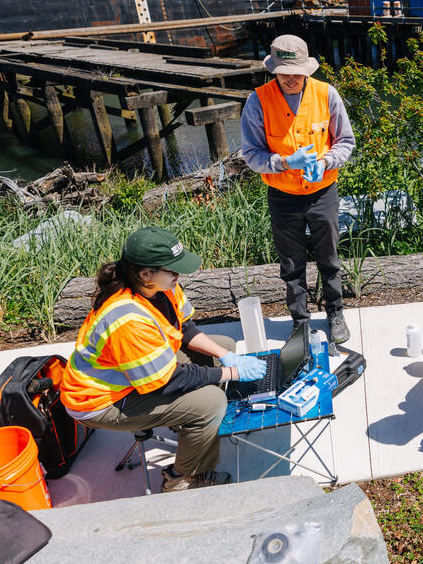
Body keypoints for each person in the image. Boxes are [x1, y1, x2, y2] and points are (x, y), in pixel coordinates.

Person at [59, 227, 268, 492]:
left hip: (132, 376)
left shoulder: (163, 287)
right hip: (101, 399)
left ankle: (188, 423)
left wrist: (225, 356)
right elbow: (167, 381)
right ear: (145, 274)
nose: (178, 276)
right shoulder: (127, 319)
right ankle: (182, 478)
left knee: (221, 346)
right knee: (211, 403)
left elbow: (185, 328)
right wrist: (233, 373)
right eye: (172, 270)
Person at [240, 34, 356, 345]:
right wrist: (282, 162)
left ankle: (335, 312)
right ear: (273, 70)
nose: (292, 80)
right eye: (284, 74)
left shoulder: (326, 94)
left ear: (308, 70)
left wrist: (328, 160)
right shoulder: (257, 101)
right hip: (283, 196)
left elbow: (346, 141)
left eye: (298, 74)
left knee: (329, 257)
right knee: (291, 264)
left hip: (323, 193)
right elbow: (251, 155)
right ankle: (300, 321)